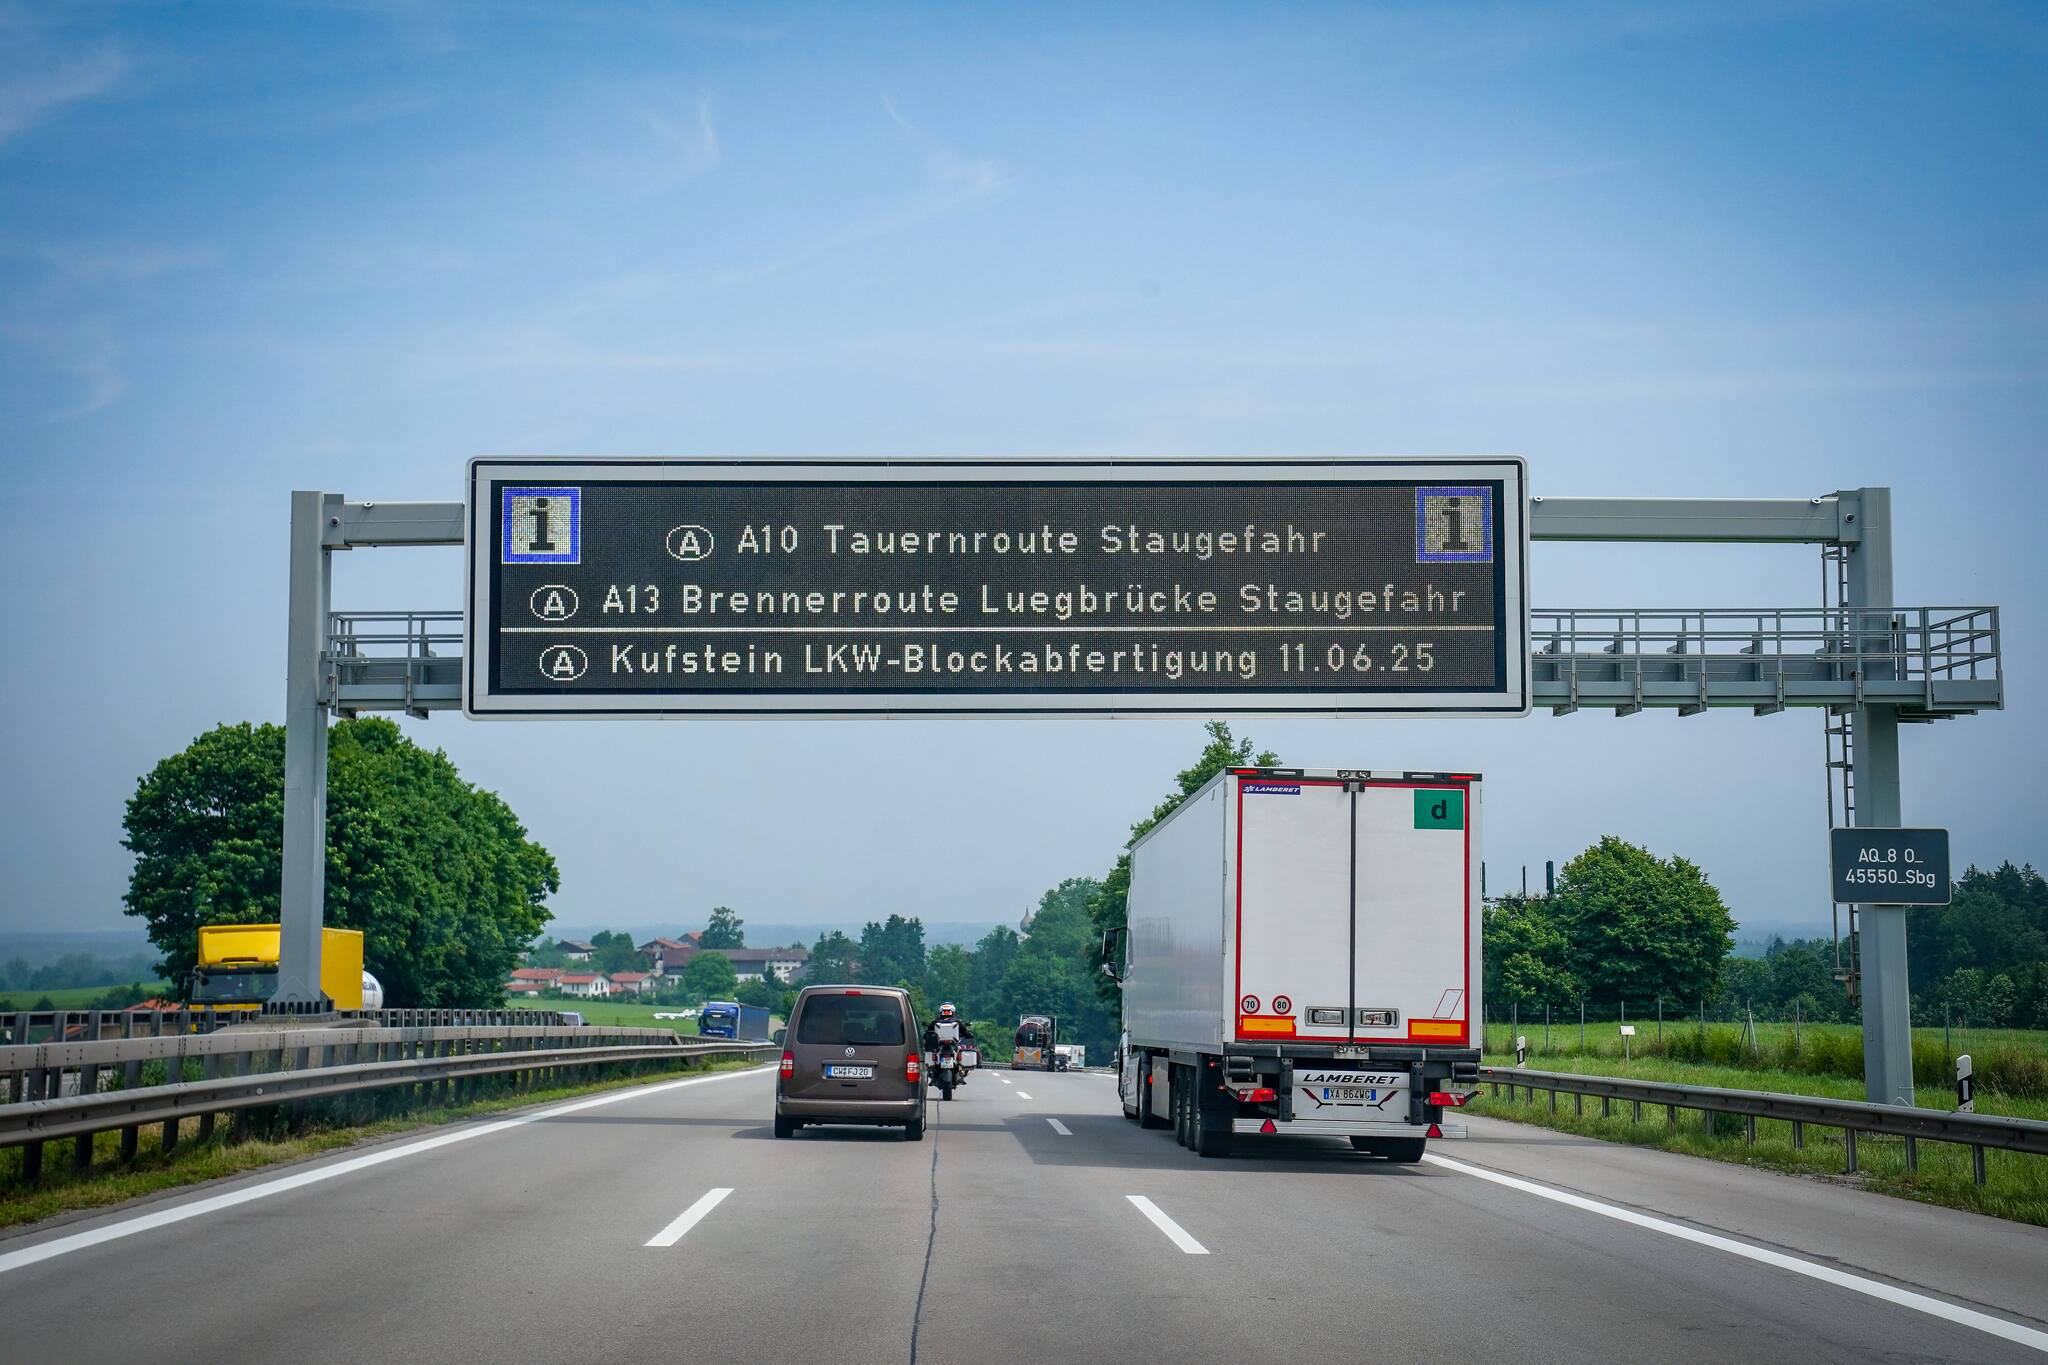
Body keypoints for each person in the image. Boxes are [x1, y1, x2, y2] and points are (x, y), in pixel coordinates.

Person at [923, 1003, 975, 1084]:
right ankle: (960, 1074)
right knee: (959, 1055)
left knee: (957, 1055)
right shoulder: (957, 1021)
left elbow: (928, 1032)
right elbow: (965, 1032)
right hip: (949, 1045)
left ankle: (934, 1075)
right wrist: (969, 1034)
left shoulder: (935, 1021)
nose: (946, 1012)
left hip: (941, 1045)